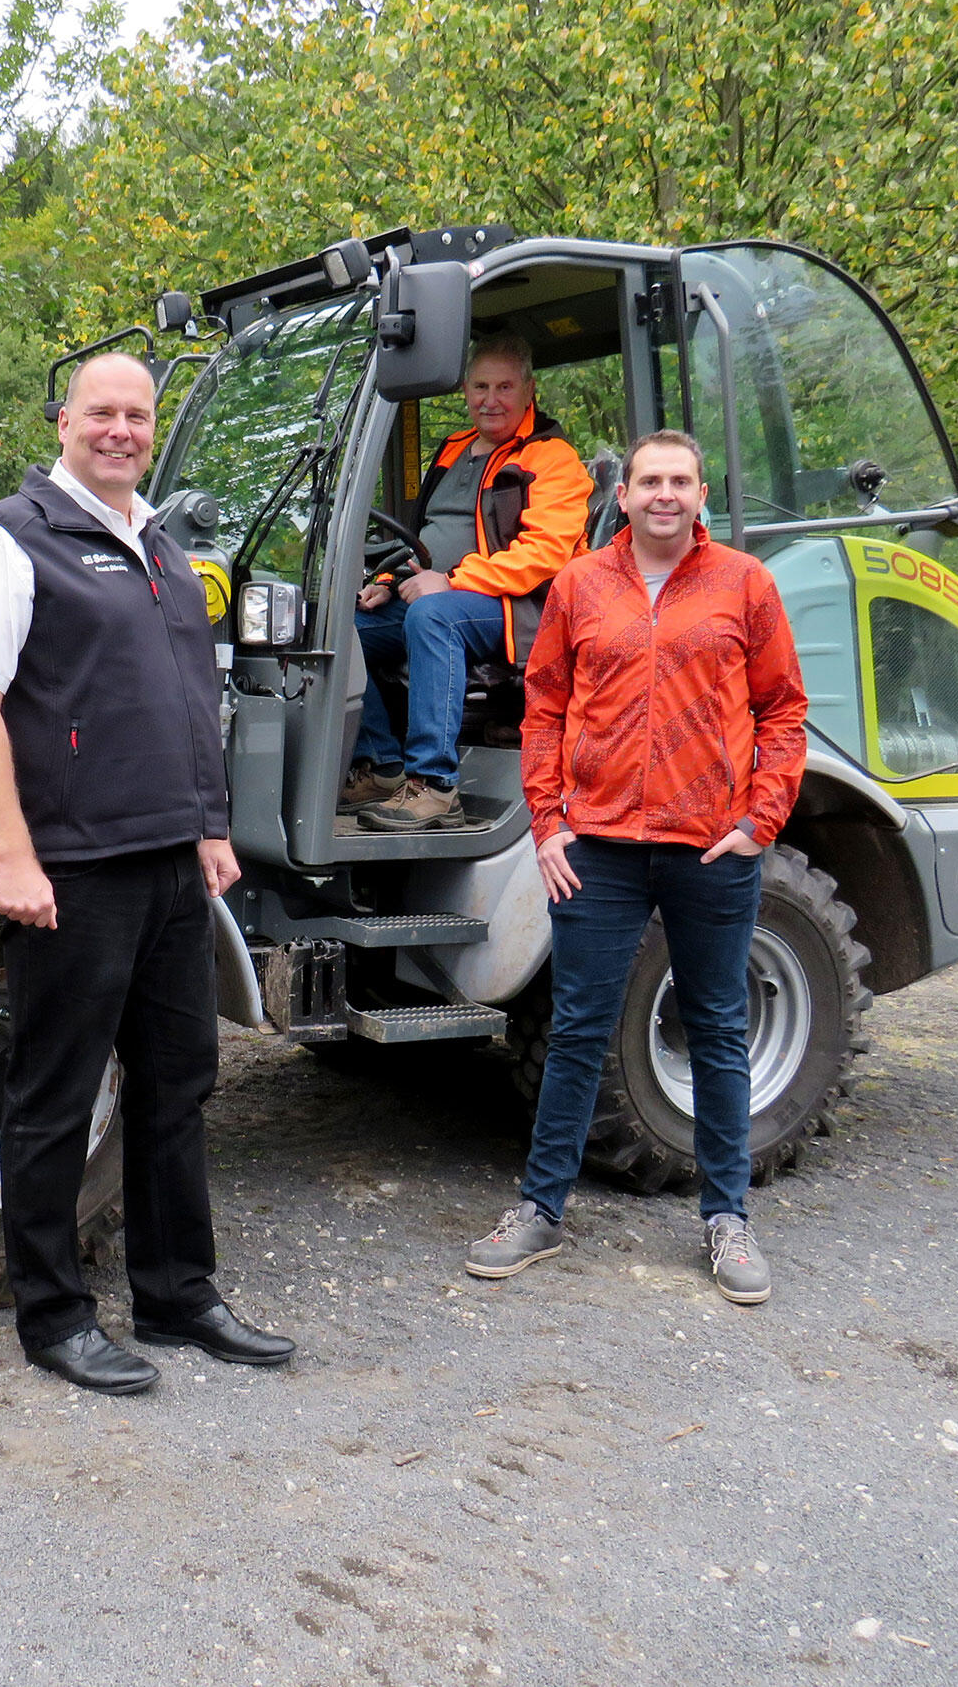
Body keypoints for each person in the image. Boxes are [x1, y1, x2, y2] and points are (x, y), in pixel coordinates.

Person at [0, 350, 294, 1395]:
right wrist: (11, 853)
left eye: (137, 415)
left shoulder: (162, 547)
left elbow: (188, 700)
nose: (120, 429)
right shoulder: (9, 543)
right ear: (62, 420)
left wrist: (210, 825)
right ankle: (52, 1317)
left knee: (178, 1080)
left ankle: (179, 1294)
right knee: (52, 1094)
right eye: (101, 411)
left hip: (169, 864)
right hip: (72, 867)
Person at [465, 428, 808, 1303]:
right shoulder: (581, 584)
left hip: (710, 848)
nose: (664, 493)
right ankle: (540, 1210)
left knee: (720, 1029)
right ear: (622, 494)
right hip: (602, 850)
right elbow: (543, 708)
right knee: (579, 1029)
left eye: (680, 480)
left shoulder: (745, 585)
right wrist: (547, 825)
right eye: (649, 479)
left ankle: (727, 1219)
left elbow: (783, 711)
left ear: (701, 494)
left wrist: (760, 821)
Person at [345, 333, 592, 831]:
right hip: (449, 592)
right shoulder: (453, 450)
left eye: (504, 387)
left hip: (521, 608)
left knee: (434, 616)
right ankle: (384, 766)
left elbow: (543, 556)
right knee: (341, 628)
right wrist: (390, 580)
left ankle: (434, 786)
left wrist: (452, 580)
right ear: (464, 389)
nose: (490, 399)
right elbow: (423, 537)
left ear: (529, 390)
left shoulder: (552, 458)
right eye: (480, 386)